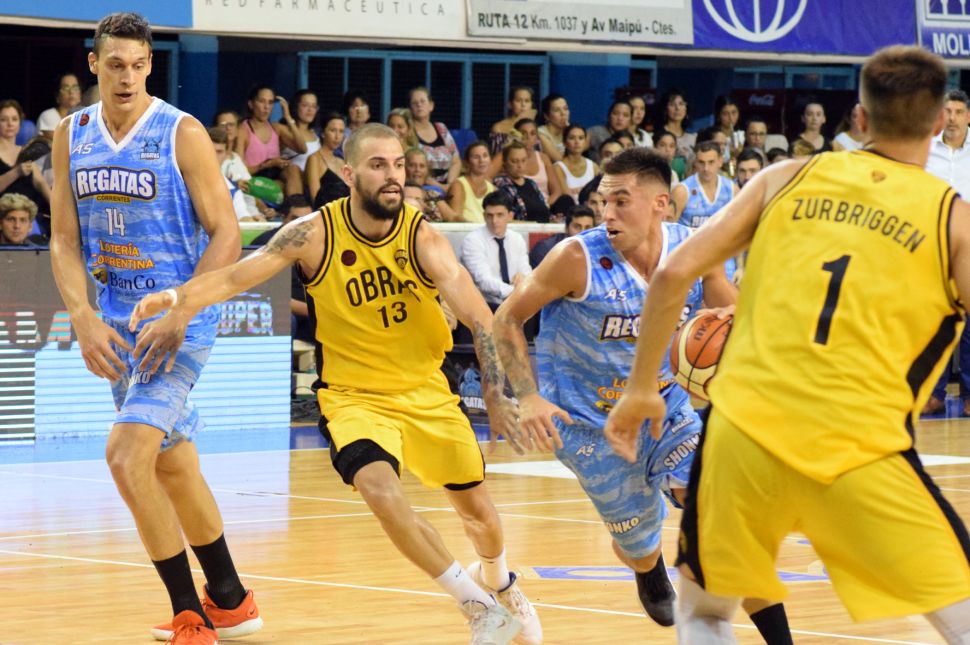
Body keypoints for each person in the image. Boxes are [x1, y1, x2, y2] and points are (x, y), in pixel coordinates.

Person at [605, 45, 970, 644]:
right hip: (858, 447)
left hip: (742, 433)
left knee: (704, 613)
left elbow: (672, 275)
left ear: (859, 118)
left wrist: (643, 388)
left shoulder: (783, 177)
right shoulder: (953, 220)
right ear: (938, 125)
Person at [128, 123, 542, 645]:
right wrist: (177, 298)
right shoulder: (313, 234)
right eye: (378, 165)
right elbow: (236, 275)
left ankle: (500, 581)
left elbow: (481, 319)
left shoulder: (423, 238)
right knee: (380, 490)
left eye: (398, 165)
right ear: (349, 173)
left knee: (480, 516)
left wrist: (498, 394)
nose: (393, 176)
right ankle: (477, 606)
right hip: (353, 398)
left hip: (425, 391)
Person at [494, 147, 792, 643]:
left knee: (719, 521)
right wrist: (527, 396)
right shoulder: (575, 258)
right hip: (590, 426)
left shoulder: (692, 247)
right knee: (637, 544)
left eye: (621, 202)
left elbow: (731, 314)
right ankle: (647, 566)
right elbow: (507, 319)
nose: (606, 213)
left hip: (667, 409)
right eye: (603, 202)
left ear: (660, 204)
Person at [48, 12, 261, 645]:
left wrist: (183, 309)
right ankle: (232, 599)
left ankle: (190, 615)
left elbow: (227, 234)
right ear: (94, 64)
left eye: (139, 66)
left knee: (126, 456)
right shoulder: (71, 135)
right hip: (118, 319)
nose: (127, 77)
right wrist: (82, 315)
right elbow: (63, 239)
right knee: (172, 464)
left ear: (150, 66)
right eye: (115, 65)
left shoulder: (181, 132)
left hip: (181, 317)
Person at [924, 89, 970, 416]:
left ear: (968, 116)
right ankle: (934, 392)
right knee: (934, 320)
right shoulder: (925, 149)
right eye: (947, 112)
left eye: (958, 112)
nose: (952, 118)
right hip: (932, 244)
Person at [461, 190, 532, 309]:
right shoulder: (472, 240)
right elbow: (483, 280)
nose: (494, 221)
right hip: (483, 305)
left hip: (516, 301)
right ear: (484, 216)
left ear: (510, 216)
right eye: (490, 215)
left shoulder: (517, 239)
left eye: (500, 215)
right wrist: (514, 293)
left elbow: (525, 270)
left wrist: (523, 278)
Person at [235, 85, 306, 199]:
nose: (266, 107)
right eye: (262, 101)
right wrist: (267, 164)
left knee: (293, 169)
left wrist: (288, 117)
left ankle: (297, 205)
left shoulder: (276, 128)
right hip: (253, 179)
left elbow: (302, 148)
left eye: (270, 102)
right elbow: (238, 170)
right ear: (251, 104)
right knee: (280, 185)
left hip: (273, 178)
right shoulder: (243, 131)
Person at [671, 141, 736, 228]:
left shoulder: (732, 189)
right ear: (695, 163)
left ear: (720, 161)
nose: (706, 168)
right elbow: (668, 227)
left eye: (711, 162)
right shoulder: (682, 191)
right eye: (701, 162)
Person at [410, 86, 461, 186]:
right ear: (410, 108)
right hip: (422, 185)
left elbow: (456, 161)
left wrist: (449, 185)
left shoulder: (441, 128)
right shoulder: (409, 131)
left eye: (422, 101)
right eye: (414, 103)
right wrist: (440, 187)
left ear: (431, 106)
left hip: (447, 185)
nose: (419, 105)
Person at [493, 140, 550, 222]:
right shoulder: (500, 183)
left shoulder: (532, 183)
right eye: (514, 161)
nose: (520, 165)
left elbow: (544, 208)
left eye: (523, 160)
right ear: (505, 163)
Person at [208, 126, 256, 221]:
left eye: (219, 152)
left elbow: (243, 216)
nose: (214, 156)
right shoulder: (183, 182)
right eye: (210, 150)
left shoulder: (234, 190)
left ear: (226, 154)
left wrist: (254, 223)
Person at [305, 112, 350, 211]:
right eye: (333, 130)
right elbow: (315, 197)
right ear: (322, 133)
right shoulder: (314, 159)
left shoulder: (342, 161)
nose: (337, 136)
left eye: (341, 131)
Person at [527, 204, 594, 268]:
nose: (582, 232)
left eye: (588, 228)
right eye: (577, 227)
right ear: (566, 228)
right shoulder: (545, 249)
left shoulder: (596, 250)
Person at [446, 140, 496, 223]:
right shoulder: (458, 185)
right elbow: (455, 220)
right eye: (476, 157)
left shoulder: (494, 190)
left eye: (485, 156)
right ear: (467, 162)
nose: (481, 160)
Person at [279, 89, 320, 180]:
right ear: (295, 107)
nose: (310, 110)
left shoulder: (315, 134)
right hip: (293, 179)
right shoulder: (285, 130)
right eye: (305, 105)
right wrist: (288, 118)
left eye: (314, 106)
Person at [553, 125, 599, 205]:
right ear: (564, 142)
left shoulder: (593, 166)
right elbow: (567, 198)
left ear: (585, 142)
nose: (577, 142)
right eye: (572, 138)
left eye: (581, 138)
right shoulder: (558, 167)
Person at [490, 87, 537, 155]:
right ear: (510, 104)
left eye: (527, 101)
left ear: (531, 104)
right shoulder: (498, 127)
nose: (523, 105)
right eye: (518, 101)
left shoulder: (534, 128)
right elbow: (497, 155)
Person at [37, 72, 83, 140]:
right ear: (57, 96)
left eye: (75, 87)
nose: (71, 92)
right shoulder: (48, 115)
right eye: (66, 88)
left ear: (80, 94)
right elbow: (62, 142)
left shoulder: (86, 115)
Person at [537, 94, 570, 162]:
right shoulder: (541, 133)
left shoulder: (569, 131)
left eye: (565, 109)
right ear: (546, 116)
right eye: (557, 110)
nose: (563, 113)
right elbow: (560, 160)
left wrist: (570, 132)